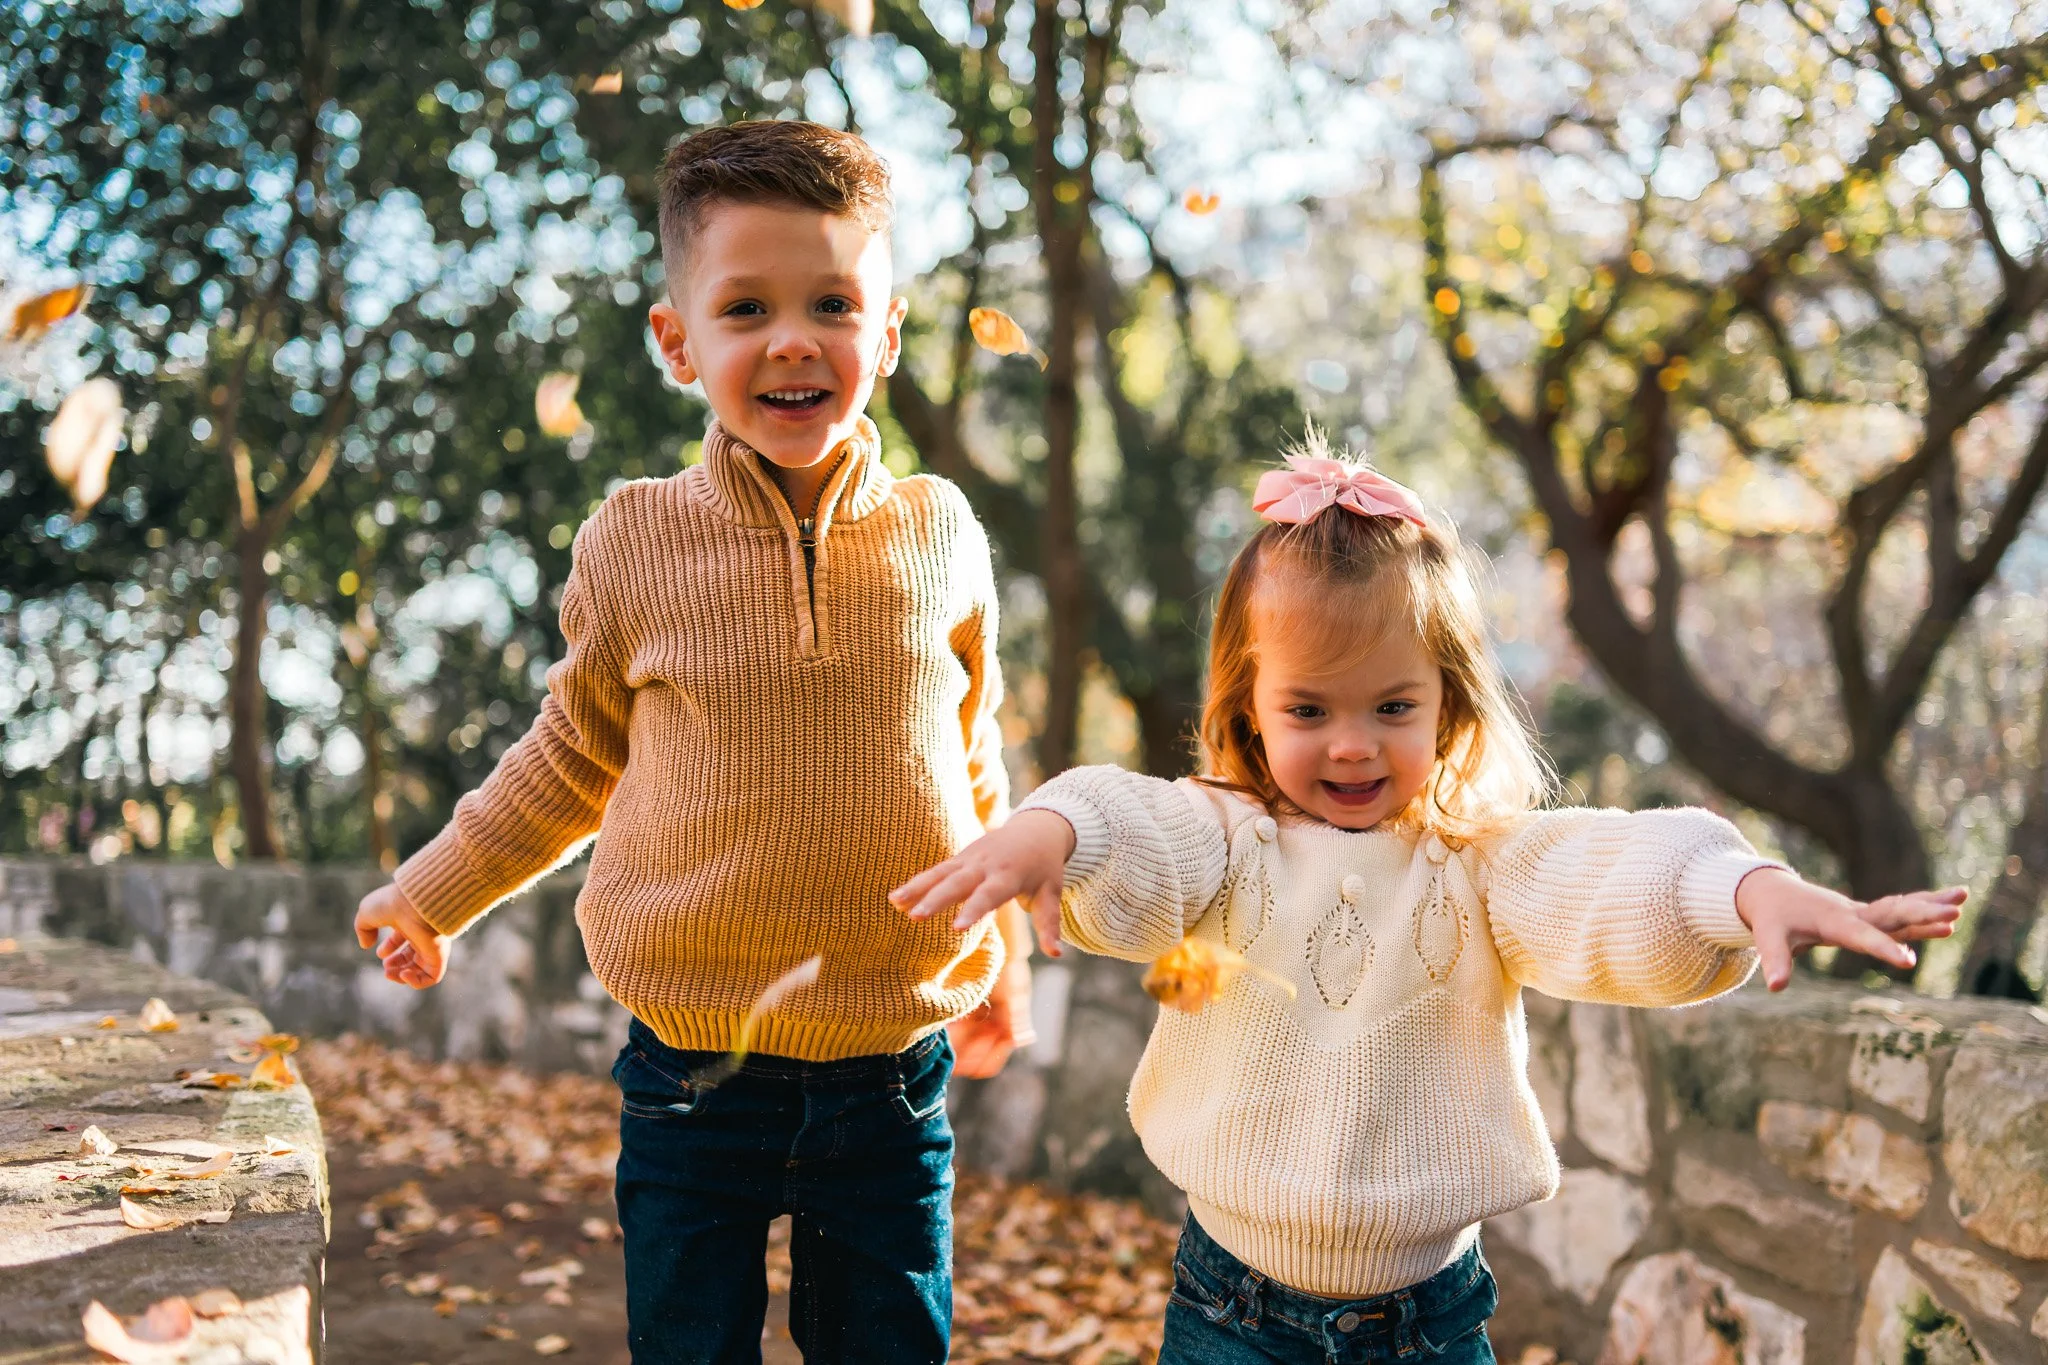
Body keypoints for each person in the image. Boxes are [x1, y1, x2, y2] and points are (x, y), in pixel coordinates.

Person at [893, 435, 1962, 1364]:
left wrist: (1743, 889)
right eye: (1307, 708)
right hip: (1230, 1310)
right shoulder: (1227, 838)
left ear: (1446, 705)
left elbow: (1614, 870)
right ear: (1248, 708)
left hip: (1428, 1324)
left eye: (1391, 705)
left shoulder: (1477, 863)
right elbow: (1131, 823)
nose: (1352, 743)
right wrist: (1053, 832)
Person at [353, 119, 1035, 1365]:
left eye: (832, 302)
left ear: (883, 336)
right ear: (680, 343)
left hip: (891, 1069)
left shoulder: (943, 533)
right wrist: (430, 894)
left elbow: (973, 763)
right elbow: (569, 759)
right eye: (745, 307)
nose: (792, 338)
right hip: (690, 1071)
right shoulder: (634, 540)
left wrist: (1005, 966)